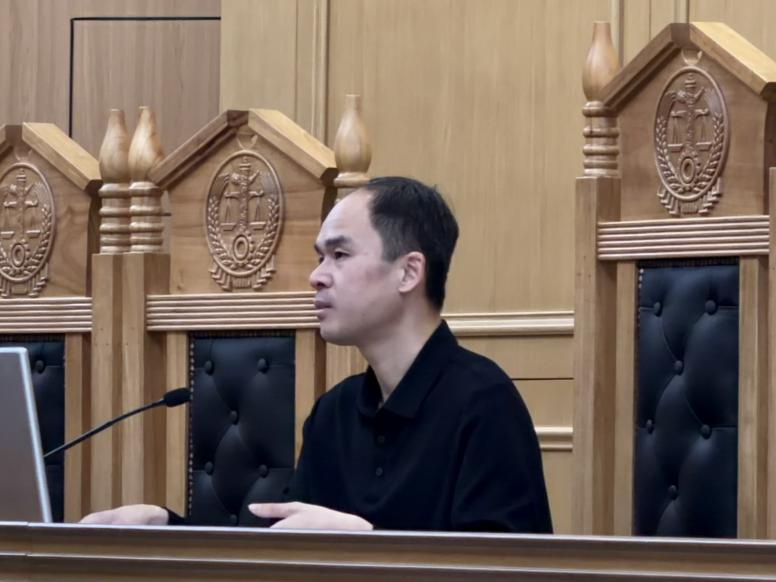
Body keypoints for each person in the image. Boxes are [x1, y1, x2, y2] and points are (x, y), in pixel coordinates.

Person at [81, 176, 552, 533]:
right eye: (319, 257)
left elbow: (508, 572)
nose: (317, 276)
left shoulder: (483, 403)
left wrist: (365, 543)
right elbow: (276, 555)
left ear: (409, 272)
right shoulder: (335, 411)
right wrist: (164, 526)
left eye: (339, 256)